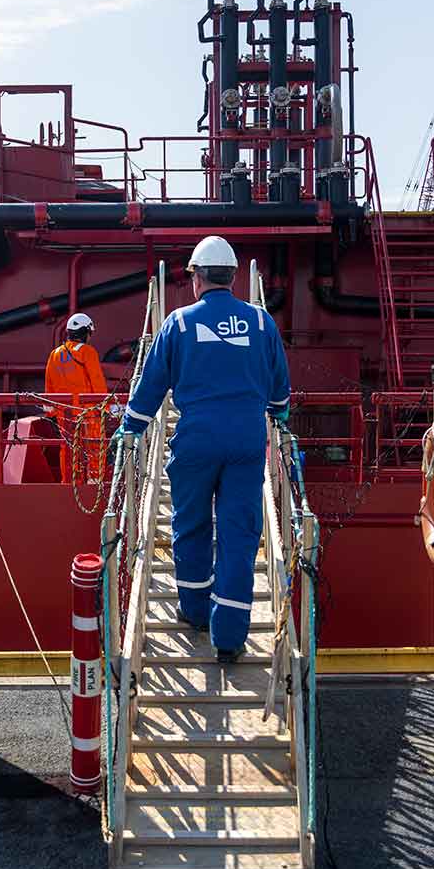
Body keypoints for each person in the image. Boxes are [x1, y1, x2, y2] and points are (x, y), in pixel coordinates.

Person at [117, 236, 291, 662]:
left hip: (195, 441)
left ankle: (195, 610)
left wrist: (130, 431)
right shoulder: (262, 322)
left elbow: (150, 387)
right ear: (233, 278)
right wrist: (277, 417)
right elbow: (280, 395)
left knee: (191, 525)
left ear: (196, 278)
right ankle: (229, 638)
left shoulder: (176, 323)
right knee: (239, 535)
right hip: (248, 442)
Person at [43, 313, 108, 485]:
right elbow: (97, 382)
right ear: (85, 332)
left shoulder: (55, 354)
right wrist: (106, 408)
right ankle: (94, 482)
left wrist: (51, 411)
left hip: (64, 413)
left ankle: (69, 481)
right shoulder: (87, 352)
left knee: (68, 448)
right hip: (88, 411)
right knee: (93, 446)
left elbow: (49, 384)